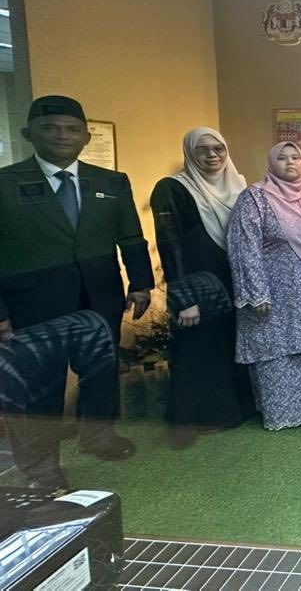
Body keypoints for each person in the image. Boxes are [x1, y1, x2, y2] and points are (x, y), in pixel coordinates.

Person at [0, 95, 152, 484]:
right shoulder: (5, 183)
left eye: (72, 129)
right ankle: (40, 465)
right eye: (50, 128)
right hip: (32, 304)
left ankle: (99, 436)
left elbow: (131, 237)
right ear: (28, 133)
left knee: (100, 372)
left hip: (100, 297)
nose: (62, 136)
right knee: (40, 385)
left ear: (86, 136)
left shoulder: (111, 182)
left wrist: (141, 284)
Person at [150, 127, 254, 445]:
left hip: (234, 284)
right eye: (202, 150)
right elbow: (170, 247)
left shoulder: (240, 187)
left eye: (218, 149)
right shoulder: (172, 189)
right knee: (199, 350)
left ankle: (236, 410)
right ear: (189, 153)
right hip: (198, 288)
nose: (212, 155)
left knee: (232, 346)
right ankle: (197, 418)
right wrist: (185, 299)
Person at [228, 142, 301, 431]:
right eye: (282, 158)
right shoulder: (256, 198)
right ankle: (283, 412)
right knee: (278, 348)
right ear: (272, 163)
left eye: (295, 157)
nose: (290, 162)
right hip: (274, 292)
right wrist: (255, 292)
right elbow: (244, 247)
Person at [0, 311, 126, 489]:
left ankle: (97, 436)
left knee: (101, 373)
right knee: (34, 390)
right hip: (26, 310)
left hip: (89, 303)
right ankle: (42, 471)